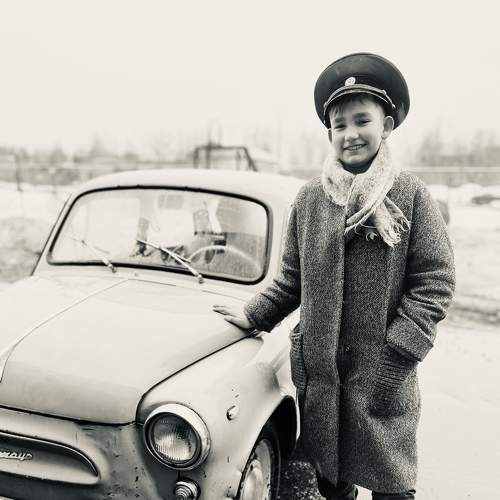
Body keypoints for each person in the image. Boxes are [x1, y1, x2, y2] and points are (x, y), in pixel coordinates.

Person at [213, 53, 455, 500]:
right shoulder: (310, 199)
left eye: (362, 120)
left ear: (387, 125)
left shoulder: (411, 194)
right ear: (329, 133)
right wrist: (253, 315)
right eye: (339, 125)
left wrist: (398, 354)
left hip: (383, 378)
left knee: (393, 488)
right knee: (332, 486)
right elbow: (292, 280)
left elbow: (435, 281)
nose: (350, 134)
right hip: (322, 385)